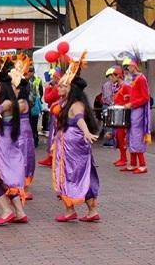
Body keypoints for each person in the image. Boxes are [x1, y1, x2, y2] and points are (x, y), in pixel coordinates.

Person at [52, 54, 100, 222]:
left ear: (71, 89)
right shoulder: (66, 104)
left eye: (63, 86)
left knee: (73, 175)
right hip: (67, 145)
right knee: (71, 175)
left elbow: (79, 119)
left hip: (74, 147)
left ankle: (76, 209)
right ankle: (76, 209)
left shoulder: (76, 105)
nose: (59, 88)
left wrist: (86, 132)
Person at [0, 57, 27, 226]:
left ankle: (7, 210)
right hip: (3, 145)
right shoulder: (9, 102)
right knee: (3, 180)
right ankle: (20, 212)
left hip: (3, 147)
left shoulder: (9, 102)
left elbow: (1, 109)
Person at [121, 56, 150, 174]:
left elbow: (145, 98)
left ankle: (142, 165)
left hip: (138, 111)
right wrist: (128, 99)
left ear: (135, 66)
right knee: (131, 135)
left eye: (129, 65)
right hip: (134, 110)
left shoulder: (141, 79)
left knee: (137, 136)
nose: (128, 67)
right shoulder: (134, 79)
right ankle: (133, 164)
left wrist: (132, 104)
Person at [107, 67, 131, 167]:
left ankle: (124, 159)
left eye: (112, 76)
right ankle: (122, 157)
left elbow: (130, 99)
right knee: (118, 137)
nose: (110, 79)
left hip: (123, 116)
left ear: (117, 76)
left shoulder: (125, 86)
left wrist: (125, 105)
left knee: (121, 137)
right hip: (119, 116)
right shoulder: (119, 87)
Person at [38, 68, 61, 167]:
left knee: (54, 136)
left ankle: (53, 157)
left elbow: (48, 98)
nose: (52, 78)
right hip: (56, 112)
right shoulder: (57, 86)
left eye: (53, 76)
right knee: (53, 135)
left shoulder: (58, 87)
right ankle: (51, 156)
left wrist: (47, 88)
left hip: (57, 114)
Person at [26, 66, 43, 147]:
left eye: (31, 71)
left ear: (33, 72)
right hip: (28, 106)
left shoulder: (38, 80)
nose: (29, 73)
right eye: (28, 71)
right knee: (29, 125)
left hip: (34, 105)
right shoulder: (25, 80)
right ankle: (31, 140)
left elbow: (41, 92)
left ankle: (35, 140)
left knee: (33, 125)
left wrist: (37, 100)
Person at [101, 68, 116, 147]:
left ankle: (112, 141)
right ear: (110, 76)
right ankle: (108, 142)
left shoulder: (113, 85)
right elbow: (107, 97)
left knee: (110, 124)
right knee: (108, 124)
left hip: (110, 106)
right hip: (108, 106)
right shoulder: (107, 85)